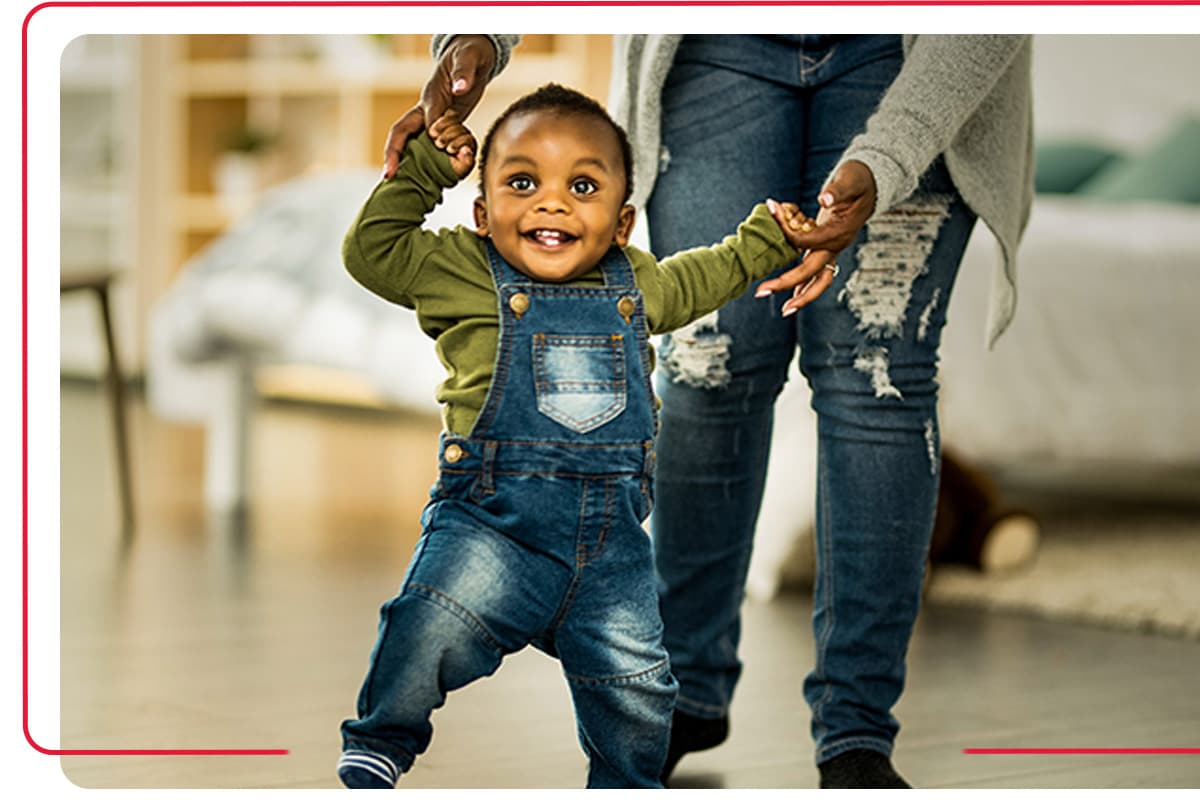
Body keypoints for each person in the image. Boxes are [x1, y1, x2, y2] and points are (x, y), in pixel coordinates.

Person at [384, 34, 1033, 789]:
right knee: (709, 363)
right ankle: (683, 687)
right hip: (713, 44)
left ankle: (857, 733)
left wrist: (888, 159)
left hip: (908, 53)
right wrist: (477, 34)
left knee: (876, 377)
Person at [338, 82, 831, 789]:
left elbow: (706, 274)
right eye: (522, 182)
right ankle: (381, 739)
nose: (552, 203)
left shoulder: (638, 282)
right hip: (491, 528)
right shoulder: (460, 268)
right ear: (482, 212)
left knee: (640, 688)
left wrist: (767, 241)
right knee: (426, 622)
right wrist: (423, 170)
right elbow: (371, 250)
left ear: (622, 222)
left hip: (611, 552)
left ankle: (627, 784)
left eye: (582, 186)